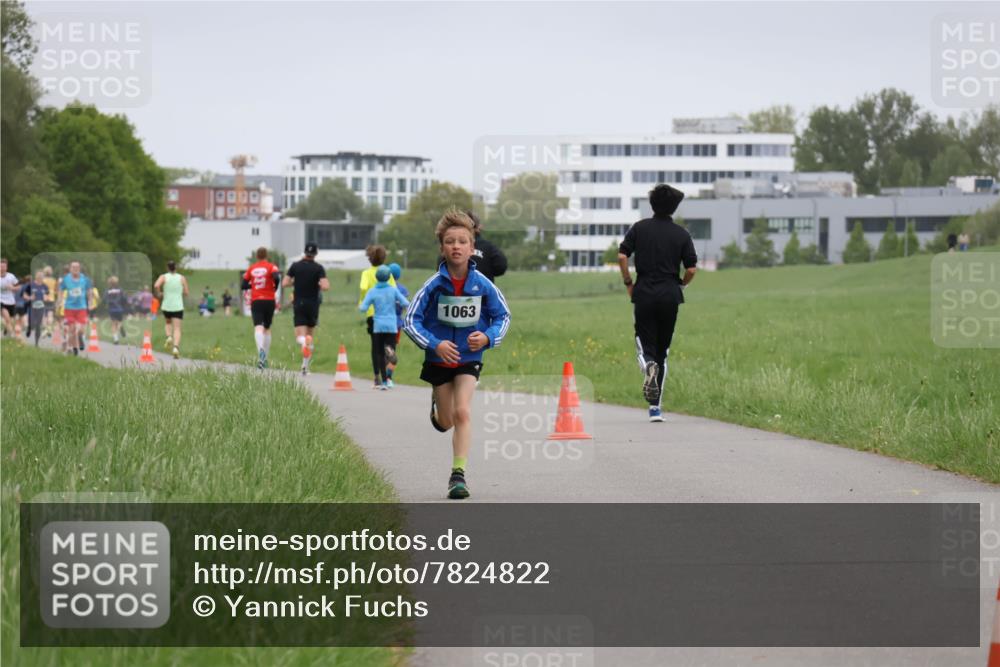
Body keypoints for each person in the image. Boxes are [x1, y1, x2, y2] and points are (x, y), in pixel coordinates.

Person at [404, 209, 511, 500]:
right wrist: (434, 344)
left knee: (463, 411)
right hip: (439, 359)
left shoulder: (483, 284)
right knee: (446, 421)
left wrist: (487, 337)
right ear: (442, 248)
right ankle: (438, 409)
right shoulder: (433, 285)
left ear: (472, 247)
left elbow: (503, 316)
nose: (456, 246)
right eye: (450, 241)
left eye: (463, 241)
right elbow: (410, 321)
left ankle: (458, 476)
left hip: (469, 358)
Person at [618, 184, 697, 423]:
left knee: (645, 347)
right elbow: (691, 269)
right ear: (674, 207)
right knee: (663, 352)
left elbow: (622, 256)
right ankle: (655, 409)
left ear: (652, 205)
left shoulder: (639, 228)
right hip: (670, 296)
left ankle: (648, 366)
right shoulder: (682, 234)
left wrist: (628, 282)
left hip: (643, 294)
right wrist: (681, 285)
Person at [283, 242, 330, 375]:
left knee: (300, 336)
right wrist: (317, 284)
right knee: (310, 335)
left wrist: (296, 282)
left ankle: (304, 342)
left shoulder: (295, 266)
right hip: (313, 304)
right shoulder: (319, 268)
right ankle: (305, 367)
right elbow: (325, 286)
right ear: (315, 254)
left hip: (299, 303)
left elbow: (285, 283)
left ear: (304, 252)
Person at [359, 265, 409, 388]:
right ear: (388, 277)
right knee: (390, 347)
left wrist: (364, 305)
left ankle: (384, 382)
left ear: (376, 277)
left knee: (380, 354)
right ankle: (390, 350)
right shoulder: (393, 290)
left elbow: (363, 308)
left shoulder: (372, 291)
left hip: (378, 325)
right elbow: (405, 302)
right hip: (392, 325)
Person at [358, 245, 396, 387]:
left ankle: (377, 377)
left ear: (370, 258)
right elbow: (394, 289)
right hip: (388, 313)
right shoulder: (388, 273)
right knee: (387, 342)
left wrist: (364, 300)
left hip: (372, 314)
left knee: (375, 347)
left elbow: (363, 287)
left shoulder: (366, 273)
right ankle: (388, 351)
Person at [243, 247, 281, 369]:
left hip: (257, 300)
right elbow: (277, 277)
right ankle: (265, 358)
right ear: (267, 255)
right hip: (269, 300)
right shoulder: (272, 266)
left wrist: (253, 285)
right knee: (267, 328)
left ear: (257, 256)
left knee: (258, 327)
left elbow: (243, 284)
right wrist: (275, 287)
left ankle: (260, 353)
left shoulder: (251, 268)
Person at [154, 260, 189, 359]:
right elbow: (186, 292)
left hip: (166, 305)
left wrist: (160, 293)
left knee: (168, 322)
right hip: (178, 306)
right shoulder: (181, 278)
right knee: (177, 328)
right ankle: (176, 348)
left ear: (167, 268)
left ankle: (169, 337)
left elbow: (156, 285)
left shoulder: (163, 277)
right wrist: (180, 292)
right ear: (175, 267)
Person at [59, 261, 92, 356]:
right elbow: (61, 290)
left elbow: (89, 291)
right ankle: (72, 348)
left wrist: (90, 302)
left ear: (80, 269)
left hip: (81, 307)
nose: (75, 269)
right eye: (73, 267)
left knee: (81, 330)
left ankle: (76, 339)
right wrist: (60, 300)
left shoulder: (85, 279)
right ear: (70, 269)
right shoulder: (66, 279)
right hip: (69, 307)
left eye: (77, 267)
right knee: (72, 329)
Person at [465, 210, 507, 283]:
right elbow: (501, 267)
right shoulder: (489, 248)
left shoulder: (451, 246)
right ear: (479, 227)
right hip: (483, 288)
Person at [387, 262, 409, 383]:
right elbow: (406, 306)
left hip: (383, 322)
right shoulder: (402, 289)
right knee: (392, 349)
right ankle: (389, 377)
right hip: (397, 323)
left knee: (383, 348)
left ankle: (383, 375)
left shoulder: (383, 288)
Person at [24, 270, 48, 346]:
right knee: (32, 323)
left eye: (42, 277)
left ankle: (36, 343)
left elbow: (47, 295)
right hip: (32, 307)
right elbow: (24, 295)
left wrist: (46, 298)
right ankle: (29, 328)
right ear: (36, 277)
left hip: (41, 307)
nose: (40, 279)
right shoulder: (31, 285)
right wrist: (30, 298)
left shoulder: (45, 286)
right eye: (39, 277)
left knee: (38, 325)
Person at [105, 276, 127, 343]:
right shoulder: (120, 290)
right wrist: (124, 305)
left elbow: (105, 299)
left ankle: (115, 339)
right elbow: (124, 298)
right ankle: (120, 328)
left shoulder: (107, 291)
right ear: (117, 282)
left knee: (113, 323)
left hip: (111, 309)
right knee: (119, 322)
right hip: (119, 308)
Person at [0, 258, 18, 337]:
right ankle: (13, 336)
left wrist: (13, 288)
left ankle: (7, 328)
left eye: (4, 267)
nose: (2, 268)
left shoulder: (11, 276)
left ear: (6, 267)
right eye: (1, 267)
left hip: (11, 301)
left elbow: (19, 287)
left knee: (11, 321)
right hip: (1, 301)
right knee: (7, 319)